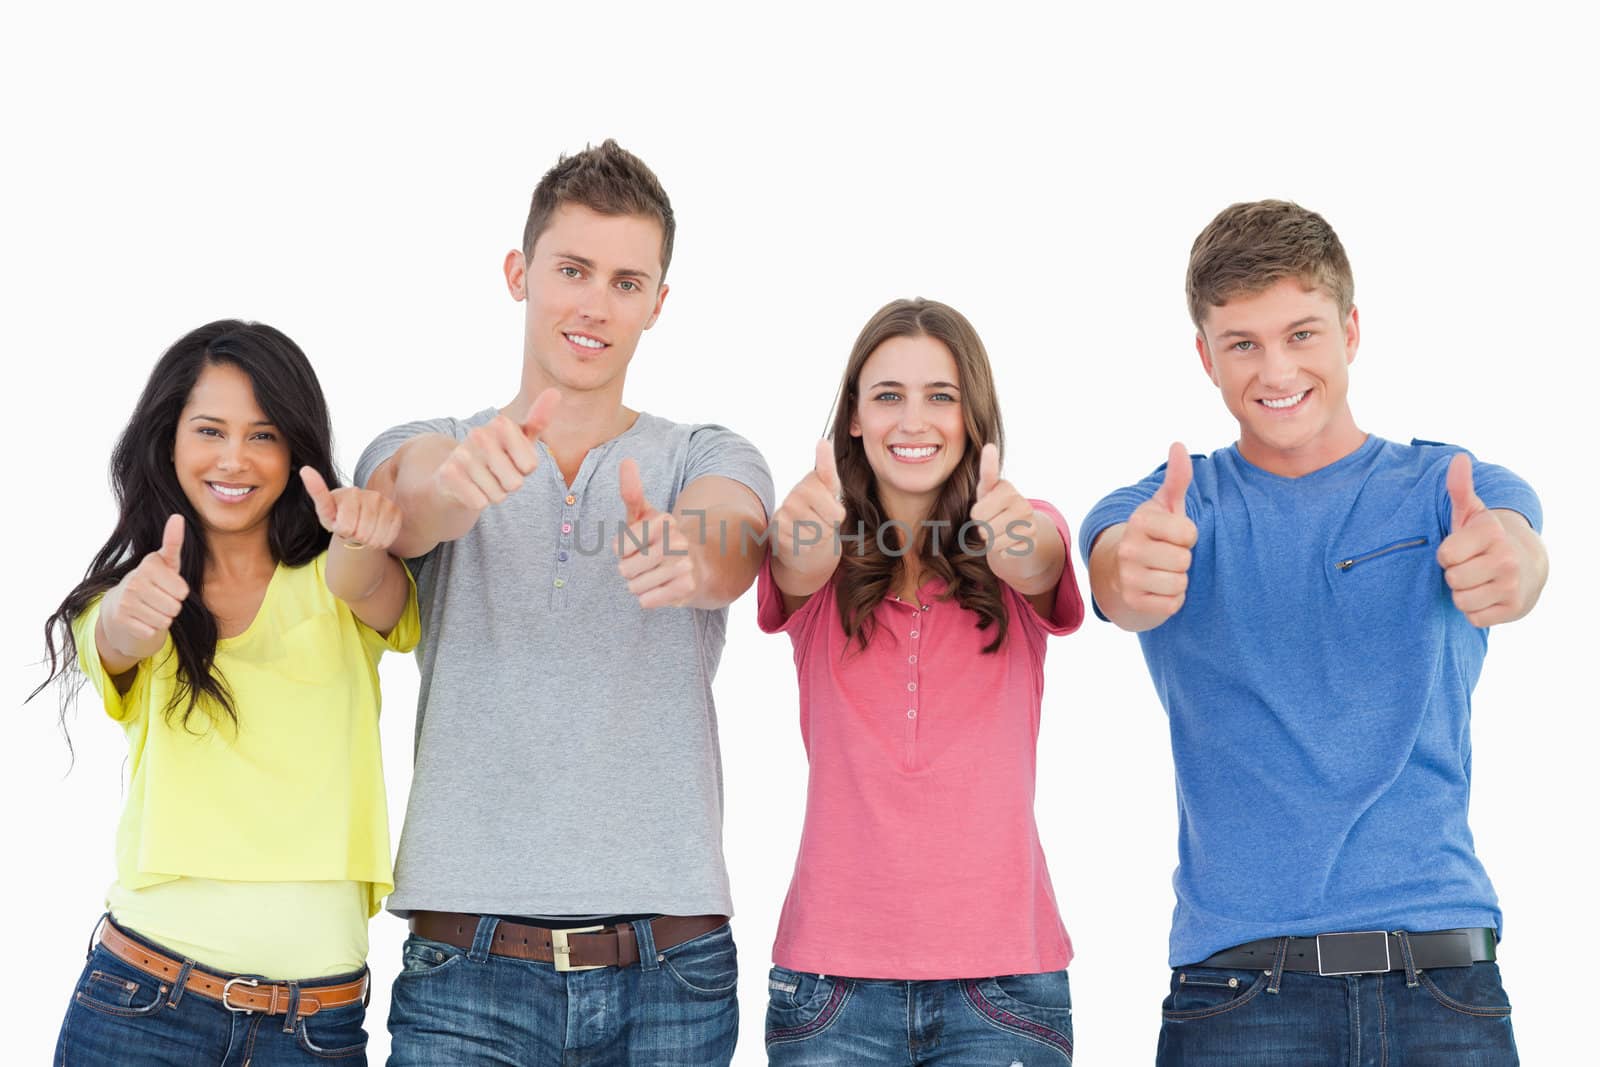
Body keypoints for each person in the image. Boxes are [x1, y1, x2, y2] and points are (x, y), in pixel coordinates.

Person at [1081, 200, 1548, 1065]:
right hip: (1240, 996)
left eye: (1302, 333)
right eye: (1243, 343)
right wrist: (1131, 573)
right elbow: (1118, 574)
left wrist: (1510, 565)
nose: (1277, 368)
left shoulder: (1451, 485)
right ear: (1205, 356)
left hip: (1444, 982)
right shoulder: (1163, 510)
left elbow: (1516, 556)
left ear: (1351, 330)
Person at [356, 140, 773, 1066]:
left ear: (658, 304)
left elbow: (736, 538)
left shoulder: (706, 452)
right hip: (466, 968)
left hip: (674, 972)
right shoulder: (432, 441)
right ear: (520, 273)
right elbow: (406, 502)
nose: (595, 303)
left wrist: (688, 553)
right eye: (573, 269)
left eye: (627, 282)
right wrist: (459, 489)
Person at [37, 319, 418, 1065]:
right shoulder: (132, 594)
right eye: (210, 429)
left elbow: (373, 588)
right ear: (169, 439)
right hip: (141, 1002)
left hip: (314, 1028)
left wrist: (362, 542)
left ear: (296, 448)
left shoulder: (340, 580)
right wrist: (129, 612)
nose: (235, 459)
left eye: (264, 435)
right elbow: (114, 636)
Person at [758, 298, 1084, 1064]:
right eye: (888, 396)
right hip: (829, 987)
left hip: (1004, 987)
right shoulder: (818, 547)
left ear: (973, 417)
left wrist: (1014, 537)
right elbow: (791, 564)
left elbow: (1038, 556)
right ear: (854, 419)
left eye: (941, 396)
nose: (915, 420)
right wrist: (802, 532)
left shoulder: (1023, 531)